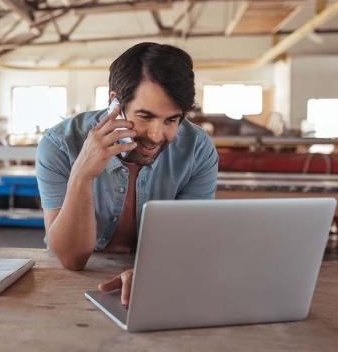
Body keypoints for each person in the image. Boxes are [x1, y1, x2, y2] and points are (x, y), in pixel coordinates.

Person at [35, 42, 218, 306]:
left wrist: (153, 273)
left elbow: (189, 244)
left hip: (159, 283)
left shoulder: (197, 149)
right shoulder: (60, 144)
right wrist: (82, 175)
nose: (156, 135)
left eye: (171, 120)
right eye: (144, 116)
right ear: (114, 103)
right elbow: (70, 259)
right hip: (72, 285)